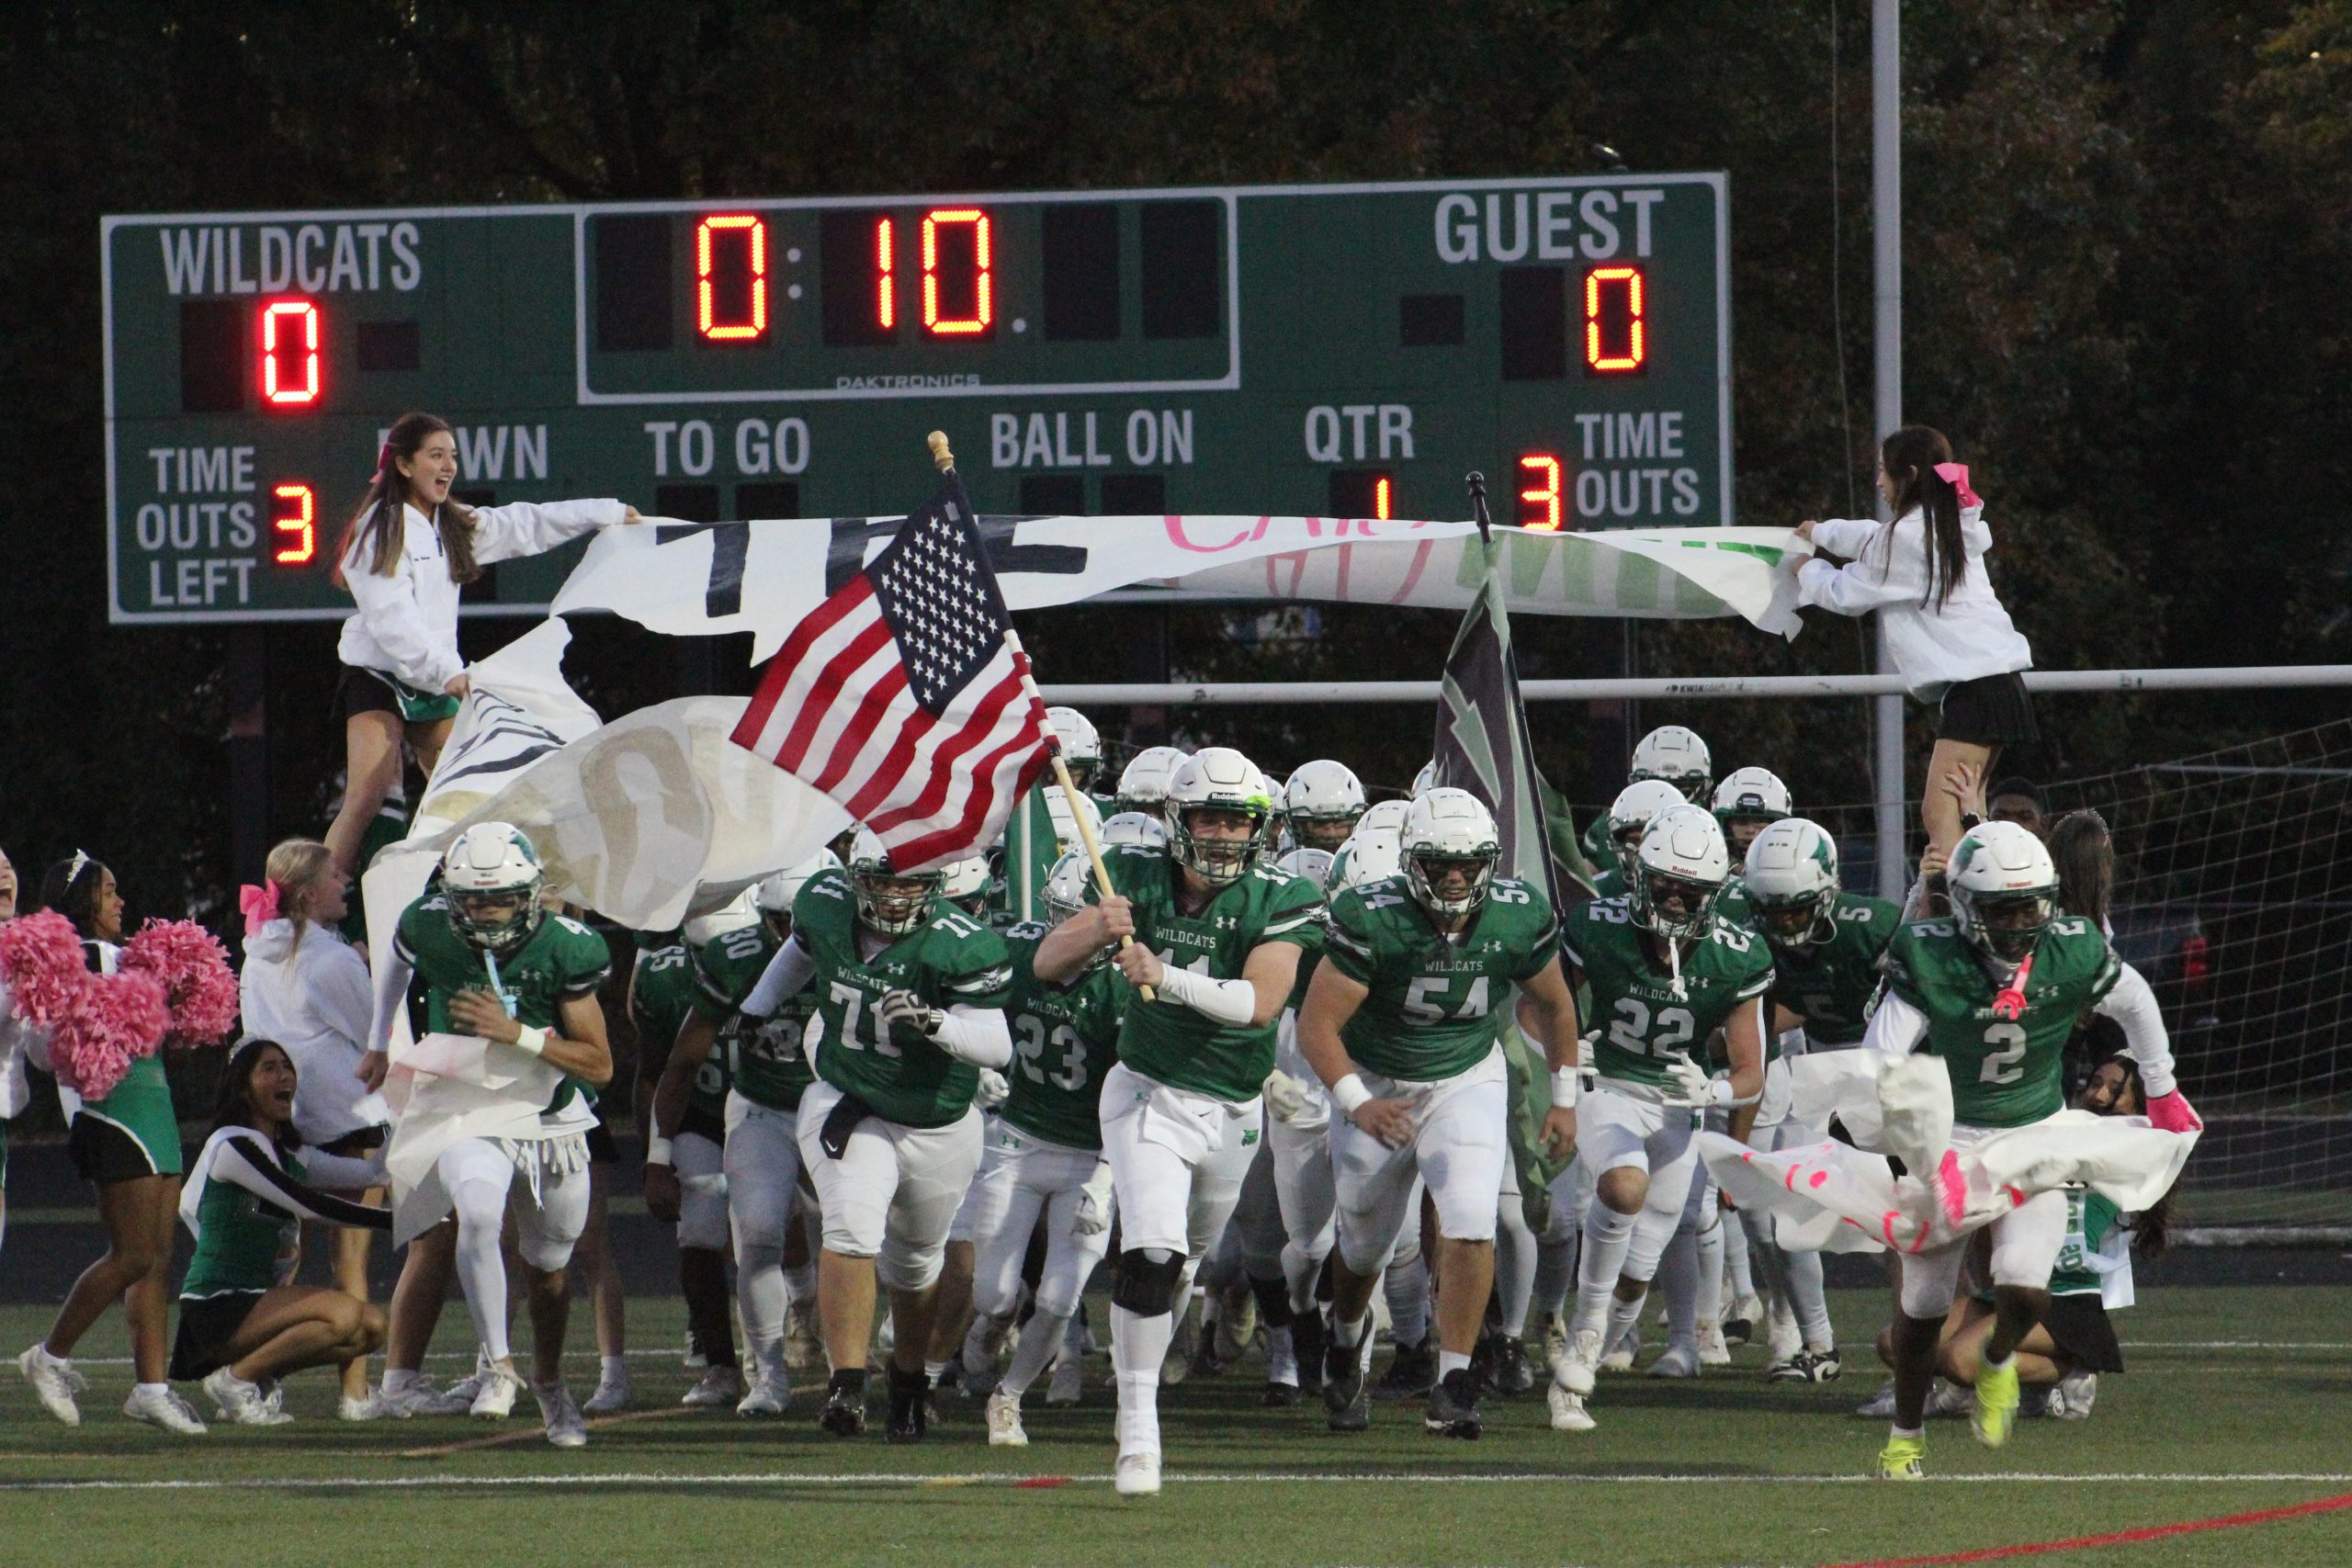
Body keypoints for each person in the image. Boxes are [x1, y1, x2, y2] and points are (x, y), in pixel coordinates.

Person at [1033, 746, 1325, 1496]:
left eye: (1239, 820)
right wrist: (1098, 927)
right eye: (1210, 817)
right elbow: (1046, 964)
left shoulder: (1279, 895)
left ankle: (1152, 1367)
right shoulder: (1130, 872)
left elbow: (1259, 1003)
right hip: (1147, 1092)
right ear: (1179, 819)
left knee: (1186, 1264)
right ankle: (1138, 1429)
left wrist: (1166, 976)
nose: (1225, 834)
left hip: (1231, 1107)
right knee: (1154, 1253)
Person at [1863, 820, 2195, 1480]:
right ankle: (1905, 1436)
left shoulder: (2068, 947)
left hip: (2037, 1134)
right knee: (1922, 1308)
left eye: (2029, 905)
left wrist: (2161, 1086)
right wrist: (1893, 1128)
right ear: (1962, 906)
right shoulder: (1930, 953)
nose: (2020, 922)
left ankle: (1996, 1364)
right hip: (1952, 1140)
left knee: (2024, 1285)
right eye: (2002, 907)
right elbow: (1881, 1053)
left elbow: (2134, 999)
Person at [1300, 789, 1580, 1439]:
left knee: (1471, 1218)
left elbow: (1557, 1005)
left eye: (1467, 863)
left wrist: (1565, 1099)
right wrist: (1358, 1102)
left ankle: (1453, 1380)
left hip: (1465, 1074)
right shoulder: (1371, 915)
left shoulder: (1516, 914)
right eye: (1438, 863)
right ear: (1409, 861)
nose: (1455, 877)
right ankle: (1345, 1338)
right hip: (1377, 1079)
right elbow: (1318, 1025)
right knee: (1365, 1243)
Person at [733, 829, 1014, 1442]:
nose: (893, 895)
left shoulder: (961, 945)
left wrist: (935, 1022)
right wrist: (758, 1003)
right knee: (851, 1225)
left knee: (915, 1263)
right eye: (882, 879)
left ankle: (908, 1377)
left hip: (936, 1119)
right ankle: (848, 1382)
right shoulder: (825, 900)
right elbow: (801, 951)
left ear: (935, 884)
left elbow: (996, 1044)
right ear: (857, 875)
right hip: (848, 1096)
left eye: (910, 881)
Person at [358, 823, 616, 1448]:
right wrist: (377, 1038)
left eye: (499, 899)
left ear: (529, 893)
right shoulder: (429, 923)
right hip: (465, 1101)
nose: (487, 913)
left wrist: (518, 1032)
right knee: (474, 1214)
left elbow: (600, 1063)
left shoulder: (566, 948)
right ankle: (498, 1365)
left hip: (548, 1115)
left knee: (549, 1269)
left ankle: (549, 1379)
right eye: (474, 900)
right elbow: (396, 949)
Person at [323, 411, 641, 876]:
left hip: (434, 679)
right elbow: (392, 617)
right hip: (382, 674)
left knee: (462, 793)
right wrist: (445, 670)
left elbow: (524, 524)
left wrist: (603, 513)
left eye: (452, 456)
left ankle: (473, 887)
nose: (448, 466)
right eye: (436, 455)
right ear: (405, 465)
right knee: (367, 797)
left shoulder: (449, 524)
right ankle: (307, 910)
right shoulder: (381, 526)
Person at [1546, 806, 1770, 1433]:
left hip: (1679, 1102)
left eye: (1687, 888)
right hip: (1610, 1084)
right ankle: (1580, 1353)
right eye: (1663, 882)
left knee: (1638, 1270)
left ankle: (1595, 1342)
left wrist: (1717, 1086)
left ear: (1712, 893)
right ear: (1640, 874)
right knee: (1623, 1185)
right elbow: (1541, 1005)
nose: (1673, 898)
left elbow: (1753, 1069)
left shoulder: (1735, 953)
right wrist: (1559, 1048)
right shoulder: (1597, 924)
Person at [18, 853, 208, 1434]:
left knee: (155, 1259)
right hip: (114, 1114)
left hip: (153, 1103)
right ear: (84, 902)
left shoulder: (124, 959)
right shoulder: (84, 960)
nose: (121, 902)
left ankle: (151, 1388)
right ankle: (48, 1356)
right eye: (110, 892)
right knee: (131, 1255)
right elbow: (45, 1045)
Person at [1792, 426, 2037, 868]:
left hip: (1977, 690)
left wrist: (1805, 570)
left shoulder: (1906, 539)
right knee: (1967, 809)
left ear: (1906, 474)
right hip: (1997, 687)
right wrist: (1822, 532)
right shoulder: (1941, 526)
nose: (1878, 483)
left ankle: (1954, 909)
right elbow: (1873, 538)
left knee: (1937, 812)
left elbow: (1848, 594)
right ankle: (1978, 899)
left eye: (1883, 473)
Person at [648, 854, 839, 1416]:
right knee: (756, 1233)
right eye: (780, 922)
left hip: (836, 1106)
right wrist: (659, 1152)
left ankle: (846, 1367)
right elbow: (683, 1060)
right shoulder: (737, 957)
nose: (791, 938)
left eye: (801, 923)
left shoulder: (855, 950)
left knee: (851, 1239)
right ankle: (769, 1374)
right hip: (761, 1106)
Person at [967, 851, 1125, 1446]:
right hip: (1018, 1140)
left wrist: (1108, 1177)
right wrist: (977, 1065)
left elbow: (1135, 1092)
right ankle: (995, 1321)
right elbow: (971, 1013)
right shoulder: (1017, 957)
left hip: (1088, 1152)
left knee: (1060, 1297)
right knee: (994, 1292)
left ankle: (1007, 1398)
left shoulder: (1124, 986)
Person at [1740, 818, 1903, 1382]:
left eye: (1797, 910)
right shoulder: (1749, 929)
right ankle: (1819, 1346)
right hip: (1817, 1068)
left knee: (1905, 1224)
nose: (1785, 924)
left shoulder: (1872, 928)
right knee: (1779, 1207)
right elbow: (1766, 1020)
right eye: (1774, 912)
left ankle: (1932, 1349)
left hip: (1895, 1070)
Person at [235, 838, 390, 1418]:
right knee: (351, 1260)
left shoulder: (256, 954)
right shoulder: (330, 960)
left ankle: (257, 1383)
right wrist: (369, 968)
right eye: (334, 876)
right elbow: (375, 1038)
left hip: (284, 1123)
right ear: (306, 894)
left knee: (282, 1263)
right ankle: (354, 1395)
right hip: (349, 1121)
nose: (345, 881)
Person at [172, 1040, 391, 1424]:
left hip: (256, 1300)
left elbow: (374, 1173)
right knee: (342, 1315)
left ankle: (259, 1376)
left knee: (372, 1327)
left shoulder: (290, 1154)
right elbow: (307, 1205)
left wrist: (394, 1114)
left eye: (286, 1067)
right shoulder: (233, 1145)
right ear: (242, 1086)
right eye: (269, 1068)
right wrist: (392, 1222)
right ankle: (236, 1381)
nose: (283, 1076)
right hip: (217, 1304)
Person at [629, 897, 752, 1411]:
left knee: (775, 1227)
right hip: (701, 1111)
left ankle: (806, 1324)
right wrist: (655, 1156)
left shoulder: (783, 963)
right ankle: (721, 1365)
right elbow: (655, 1070)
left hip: (767, 1108)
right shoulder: (663, 976)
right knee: (699, 1231)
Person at [1577, 727, 1713, 873]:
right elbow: (1589, 879)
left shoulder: (1709, 827)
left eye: (1679, 787)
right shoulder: (1611, 823)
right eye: (1654, 784)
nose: (1665, 795)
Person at [1283, 761, 1369, 852]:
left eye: (1340, 823)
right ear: (1298, 826)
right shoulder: (1287, 863)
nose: (1331, 834)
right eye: (1319, 824)